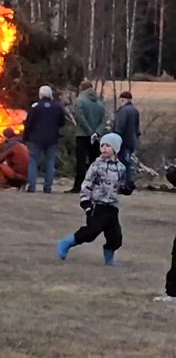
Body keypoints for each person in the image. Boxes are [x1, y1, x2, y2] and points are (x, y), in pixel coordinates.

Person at [57, 133, 129, 266]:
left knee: (115, 237)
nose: (104, 148)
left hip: (112, 207)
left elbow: (120, 186)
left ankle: (109, 258)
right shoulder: (96, 165)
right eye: (102, 145)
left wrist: (126, 189)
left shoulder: (121, 168)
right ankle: (66, 242)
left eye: (108, 146)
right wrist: (86, 203)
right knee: (91, 232)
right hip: (97, 205)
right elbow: (87, 184)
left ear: (115, 149)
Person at [24, 85, 66, 193]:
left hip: (36, 138)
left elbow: (28, 123)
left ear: (40, 94)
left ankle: (32, 186)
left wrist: (25, 137)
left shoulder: (35, 106)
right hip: (52, 138)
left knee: (33, 161)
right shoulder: (57, 107)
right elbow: (62, 122)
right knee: (50, 162)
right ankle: (48, 187)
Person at [70, 81, 107, 192]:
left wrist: (89, 132)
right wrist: (97, 133)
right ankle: (93, 186)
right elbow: (104, 120)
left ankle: (79, 185)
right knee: (94, 162)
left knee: (81, 162)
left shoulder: (80, 101)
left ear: (82, 88)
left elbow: (79, 117)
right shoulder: (99, 103)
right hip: (96, 137)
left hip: (82, 135)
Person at [113, 90, 141, 185]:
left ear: (123, 100)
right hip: (132, 141)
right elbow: (137, 128)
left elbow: (120, 127)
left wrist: (115, 139)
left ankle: (124, 183)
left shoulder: (123, 111)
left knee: (122, 162)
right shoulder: (135, 111)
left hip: (123, 141)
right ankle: (128, 182)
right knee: (128, 162)